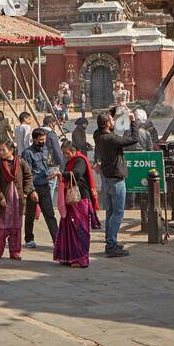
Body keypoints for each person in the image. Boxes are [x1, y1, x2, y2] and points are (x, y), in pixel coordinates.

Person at [92, 112, 139, 258]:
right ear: (106, 124)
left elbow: (104, 127)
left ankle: (110, 240)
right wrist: (133, 122)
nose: (113, 122)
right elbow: (134, 139)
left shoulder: (97, 136)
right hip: (116, 179)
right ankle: (111, 245)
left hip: (106, 178)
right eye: (111, 120)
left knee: (110, 212)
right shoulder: (112, 139)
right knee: (118, 213)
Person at [55, 138, 99, 268]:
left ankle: (81, 258)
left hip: (80, 199)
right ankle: (69, 257)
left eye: (67, 153)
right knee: (69, 227)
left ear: (73, 151)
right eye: (64, 153)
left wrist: (62, 174)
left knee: (80, 228)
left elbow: (77, 173)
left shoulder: (80, 160)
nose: (66, 156)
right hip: (72, 199)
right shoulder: (72, 161)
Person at [0, 141, 30, 260]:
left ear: (11, 151)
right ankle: (0, 250)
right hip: (4, 201)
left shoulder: (21, 162)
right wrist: (0, 197)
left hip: (17, 201)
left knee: (16, 227)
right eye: (0, 150)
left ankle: (15, 252)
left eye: (4, 150)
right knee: (1, 227)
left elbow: (28, 176)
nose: (1, 152)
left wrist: (25, 192)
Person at [22, 127, 61, 248]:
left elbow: (46, 166)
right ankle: (29, 239)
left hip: (44, 186)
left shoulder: (45, 150)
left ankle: (57, 240)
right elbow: (27, 174)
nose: (43, 141)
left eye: (44, 139)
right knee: (30, 215)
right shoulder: (27, 153)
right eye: (40, 139)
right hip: (33, 188)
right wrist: (32, 190)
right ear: (34, 140)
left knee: (50, 214)